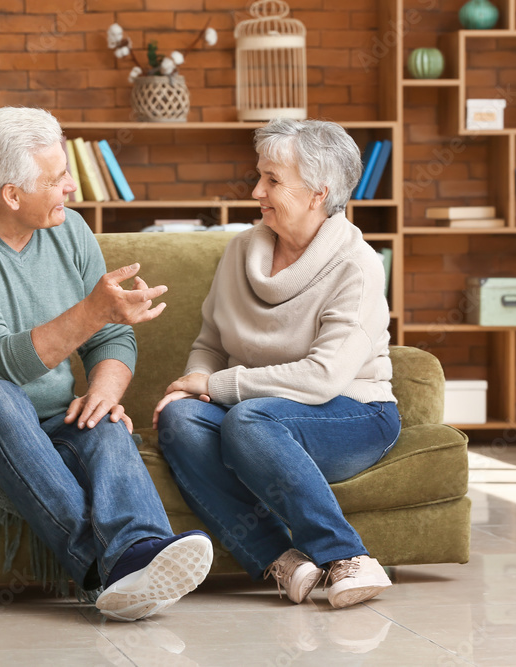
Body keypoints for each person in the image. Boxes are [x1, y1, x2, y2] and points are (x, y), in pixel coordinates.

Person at [0, 106, 213, 622]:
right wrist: (93, 310)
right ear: (11, 194)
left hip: (47, 416)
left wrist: (105, 392)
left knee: (102, 420)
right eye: (57, 178)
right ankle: (98, 568)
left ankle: (139, 555)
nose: (71, 186)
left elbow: (111, 338)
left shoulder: (69, 231)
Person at [153, 118, 400, 609]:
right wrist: (189, 387)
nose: (256, 192)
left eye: (272, 180)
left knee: (249, 417)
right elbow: (210, 344)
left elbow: (324, 377)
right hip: (256, 414)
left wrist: (215, 385)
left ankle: (348, 556)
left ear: (317, 193)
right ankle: (284, 562)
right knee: (179, 419)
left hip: (351, 412)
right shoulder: (240, 252)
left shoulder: (357, 265)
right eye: (259, 176)